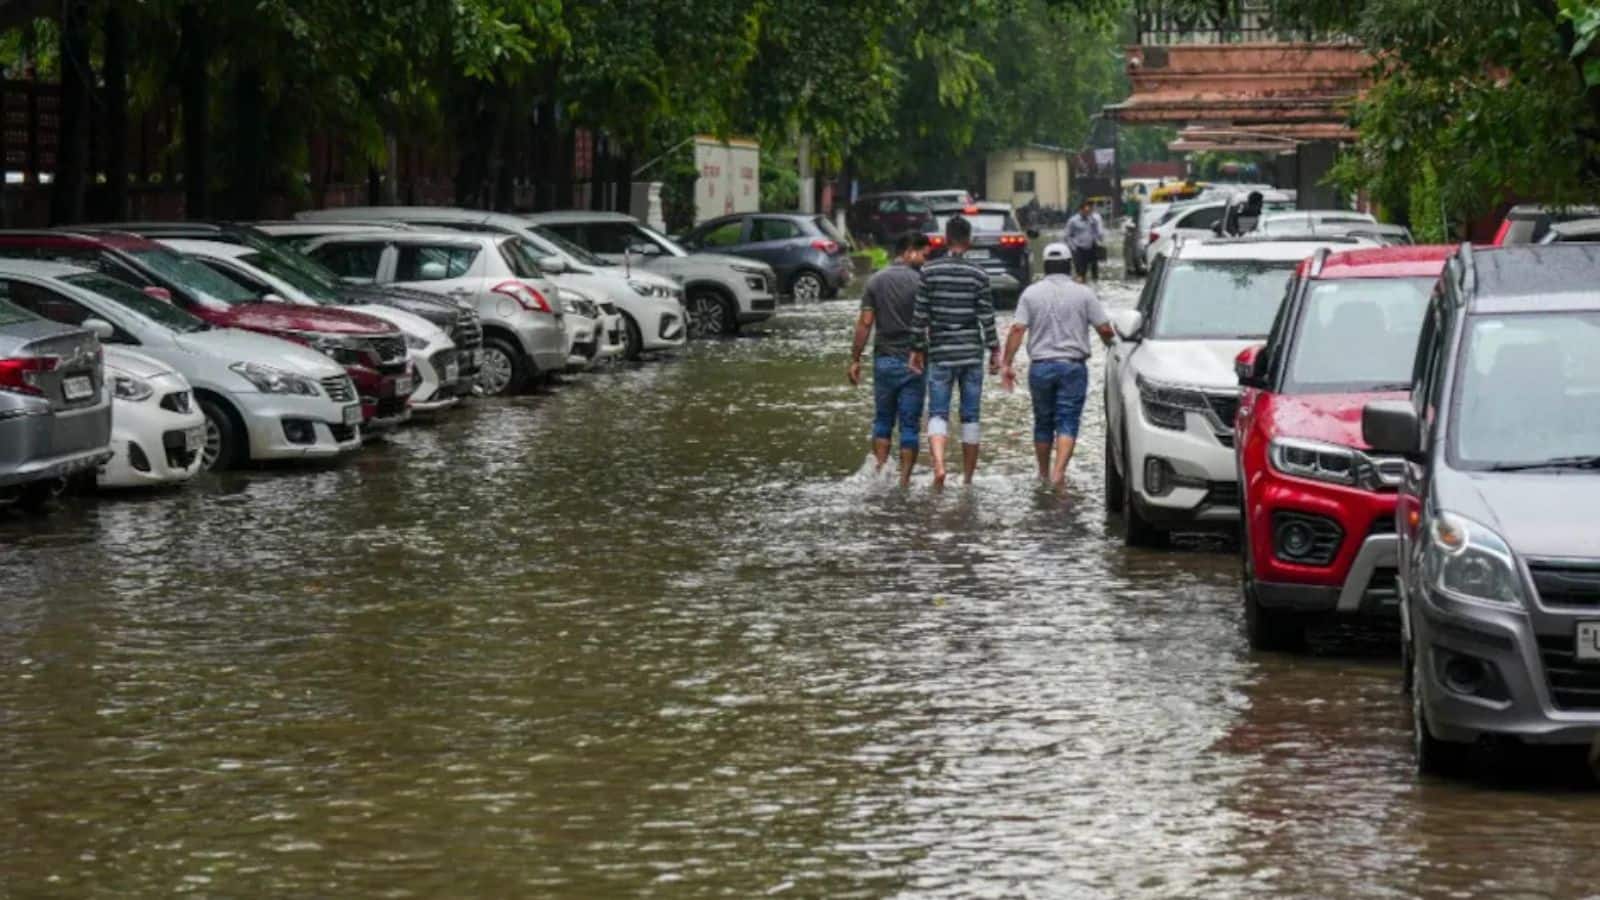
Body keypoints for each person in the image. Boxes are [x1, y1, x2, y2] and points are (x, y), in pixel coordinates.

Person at [1001, 242, 1116, 488]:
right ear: (1069, 265)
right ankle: (1058, 474)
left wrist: (1006, 363)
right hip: (1073, 367)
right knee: (1068, 420)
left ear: (1045, 265)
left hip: (1040, 367)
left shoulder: (1030, 293)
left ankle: (1042, 474)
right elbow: (1105, 328)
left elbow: (1018, 329)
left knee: (1043, 421)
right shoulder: (1084, 293)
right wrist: (1114, 348)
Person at [909, 215, 999, 488]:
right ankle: (969, 479)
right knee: (971, 416)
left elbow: (920, 316)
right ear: (969, 241)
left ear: (946, 239)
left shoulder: (929, 272)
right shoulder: (979, 274)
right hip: (971, 354)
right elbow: (987, 316)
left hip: (940, 354)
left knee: (938, 412)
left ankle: (938, 465)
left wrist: (917, 349)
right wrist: (995, 350)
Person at [848, 231, 930, 487]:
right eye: (922, 255)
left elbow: (865, 323)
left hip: (883, 361)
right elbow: (932, 325)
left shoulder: (875, 281)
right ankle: (904, 482)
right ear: (908, 251)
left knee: (883, 420)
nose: (925, 261)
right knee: (909, 425)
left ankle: (881, 475)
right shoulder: (922, 282)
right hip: (914, 362)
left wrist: (855, 358)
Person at [1066, 200, 1104, 282]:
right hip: (1079, 249)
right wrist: (1073, 248)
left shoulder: (1092, 219)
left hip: (1091, 248)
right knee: (1081, 273)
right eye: (1086, 211)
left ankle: (1095, 287)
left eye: (1089, 211)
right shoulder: (1073, 221)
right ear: (1081, 210)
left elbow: (1097, 232)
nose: (1088, 213)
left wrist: (1099, 239)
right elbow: (1068, 236)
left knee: (1095, 272)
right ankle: (1081, 288)